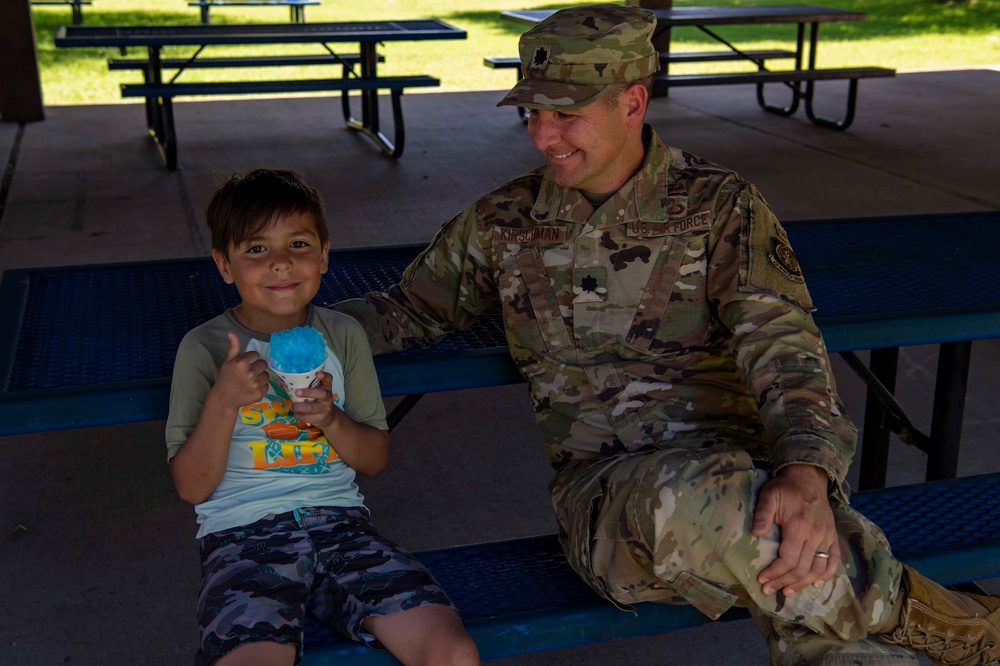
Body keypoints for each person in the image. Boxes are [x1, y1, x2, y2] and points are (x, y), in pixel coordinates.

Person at [331, 5, 1000, 665]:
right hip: (617, 505)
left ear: (631, 103)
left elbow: (782, 343)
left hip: (753, 490)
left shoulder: (718, 205)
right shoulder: (504, 223)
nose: (542, 135)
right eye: (531, 112)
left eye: (565, 113)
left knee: (830, 625)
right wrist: (284, 333)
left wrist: (805, 474)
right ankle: (959, 627)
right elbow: (407, 311)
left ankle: (897, 623)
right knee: (713, 510)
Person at [165, 168, 480, 666]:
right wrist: (224, 401)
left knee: (452, 652)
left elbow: (374, 459)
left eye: (297, 243)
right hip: (243, 538)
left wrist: (331, 419)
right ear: (224, 265)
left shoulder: (342, 335)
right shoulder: (204, 348)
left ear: (325, 253)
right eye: (255, 249)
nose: (281, 263)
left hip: (342, 528)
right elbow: (191, 487)